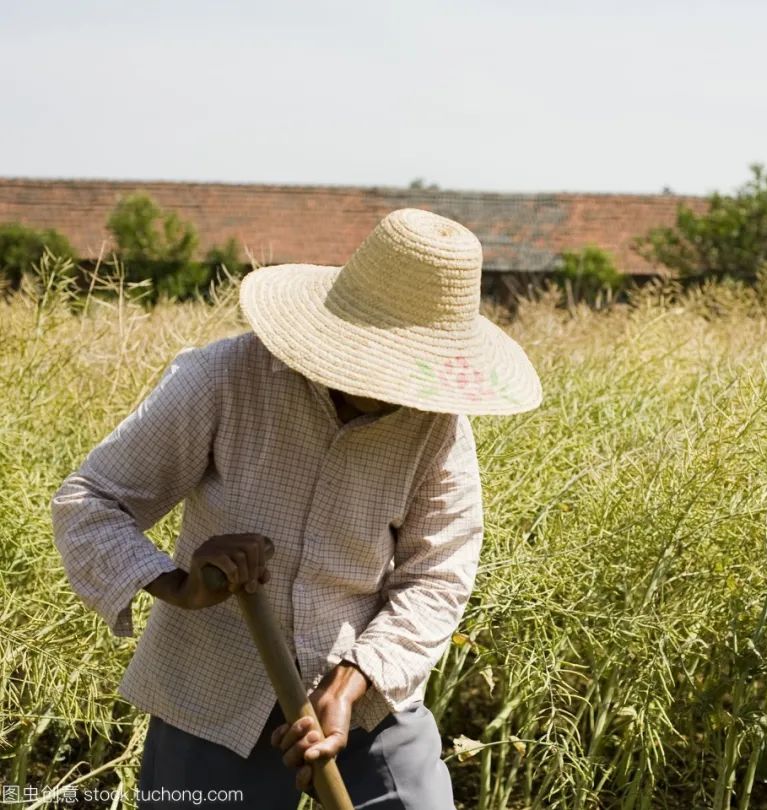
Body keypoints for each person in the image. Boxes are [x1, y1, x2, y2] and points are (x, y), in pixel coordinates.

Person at [51, 208, 542, 809]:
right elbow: (91, 501)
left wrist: (349, 684)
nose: (394, 389)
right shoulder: (225, 378)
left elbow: (435, 579)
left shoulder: (438, 430)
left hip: (367, 707)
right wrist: (180, 584)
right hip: (212, 701)